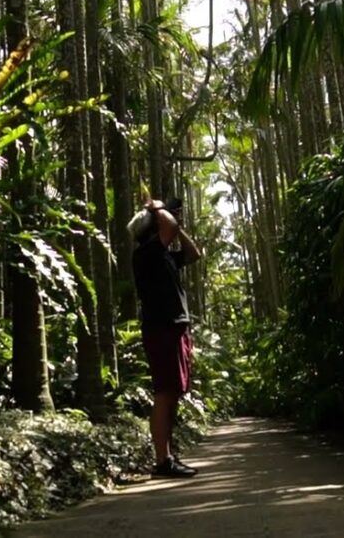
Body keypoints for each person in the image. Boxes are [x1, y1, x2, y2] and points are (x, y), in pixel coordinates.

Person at [131, 197, 202, 478]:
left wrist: (176, 224)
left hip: (173, 328)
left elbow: (193, 253)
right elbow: (169, 228)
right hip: (162, 328)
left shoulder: (162, 256)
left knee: (172, 393)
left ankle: (167, 457)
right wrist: (157, 208)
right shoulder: (146, 254)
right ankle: (163, 461)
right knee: (164, 394)